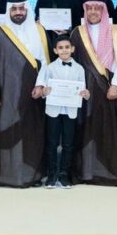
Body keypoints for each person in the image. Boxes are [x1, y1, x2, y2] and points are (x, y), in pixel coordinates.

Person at [0, 0, 49, 188]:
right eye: (14, 9)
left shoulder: (39, 30)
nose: (18, 12)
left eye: (22, 8)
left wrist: (40, 85)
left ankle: (33, 175)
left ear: (27, 10)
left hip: (32, 93)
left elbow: (45, 62)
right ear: (9, 11)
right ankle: (7, 175)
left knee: (32, 134)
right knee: (8, 132)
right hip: (6, 93)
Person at [70, 0, 117, 186]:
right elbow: (72, 62)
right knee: (86, 131)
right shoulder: (77, 33)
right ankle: (86, 173)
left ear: (103, 11)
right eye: (89, 8)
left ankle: (113, 173)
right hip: (84, 92)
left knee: (109, 132)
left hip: (108, 89)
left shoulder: (116, 31)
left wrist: (115, 84)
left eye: (97, 9)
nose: (93, 12)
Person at [38, 35, 90, 189]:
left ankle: (64, 175)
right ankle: (52, 175)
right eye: (60, 48)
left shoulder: (79, 68)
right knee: (52, 143)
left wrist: (85, 93)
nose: (64, 50)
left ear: (72, 49)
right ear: (55, 50)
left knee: (68, 144)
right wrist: (44, 92)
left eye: (67, 47)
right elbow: (43, 90)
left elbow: (83, 89)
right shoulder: (49, 68)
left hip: (70, 110)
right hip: (53, 110)